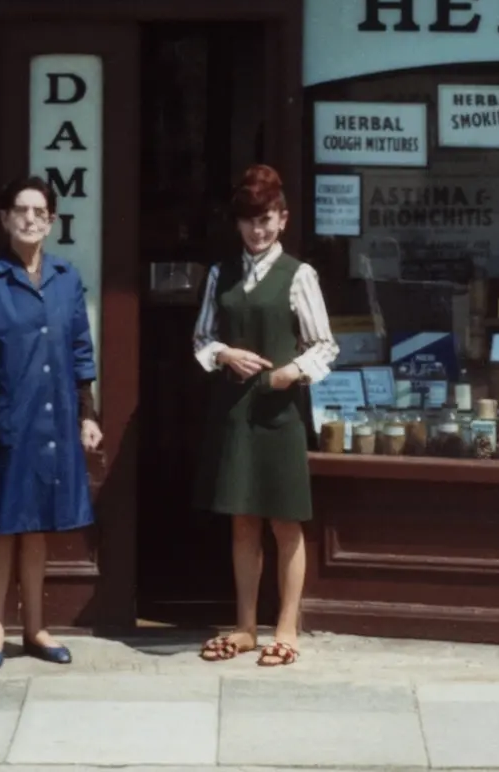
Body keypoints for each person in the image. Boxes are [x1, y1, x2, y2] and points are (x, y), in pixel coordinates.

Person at [192, 165, 337, 669]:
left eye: (267, 219)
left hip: (279, 412)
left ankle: (287, 629)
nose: (259, 230)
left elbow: (325, 344)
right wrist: (224, 355)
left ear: (283, 219)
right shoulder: (220, 274)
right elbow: (201, 338)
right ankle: (245, 627)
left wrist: (290, 373)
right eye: (250, 221)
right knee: (242, 522)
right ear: (238, 224)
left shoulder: (299, 275)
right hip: (234, 410)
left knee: (285, 523)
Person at [0, 176, 101, 670]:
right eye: (21, 210)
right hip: (4, 420)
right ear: (4, 219)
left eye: (40, 212)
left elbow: (81, 348)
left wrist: (87, 413)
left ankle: (35, 626)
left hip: (54, 418)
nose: (31, 218)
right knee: (0, 526)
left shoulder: (66, 276)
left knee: (37, 526)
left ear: (53, 221)